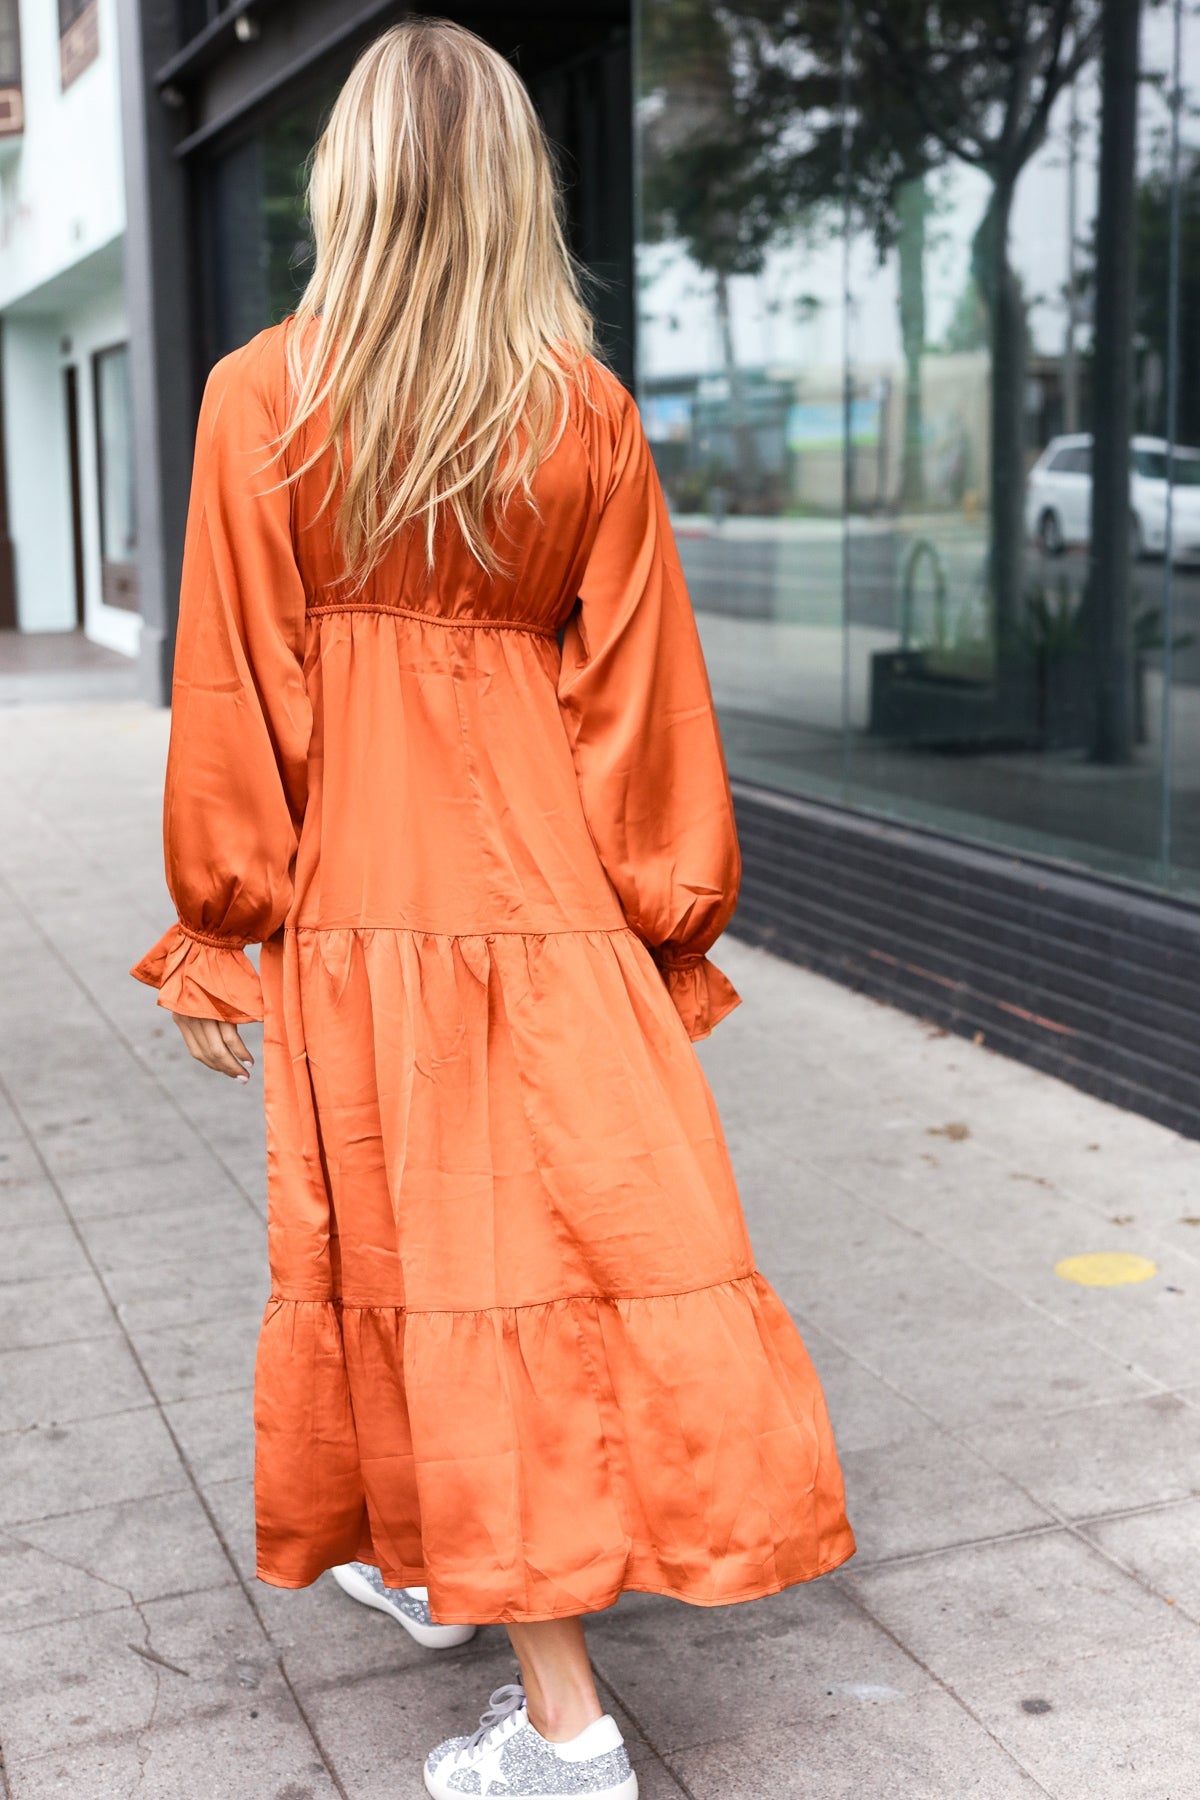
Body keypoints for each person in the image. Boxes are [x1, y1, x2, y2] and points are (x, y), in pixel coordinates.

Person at [131, 19, 854, 1799]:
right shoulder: (580, 409)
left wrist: (224, 923)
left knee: (427, 1266)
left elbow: (238, 691)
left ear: (351, 182)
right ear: (514, 190)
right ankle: (453, 1555)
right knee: (535, 1265)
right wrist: (670, 923)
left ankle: (569, 1731)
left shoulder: (263, 395)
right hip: (553, 905)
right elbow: (645, 698)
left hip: (367, 918)